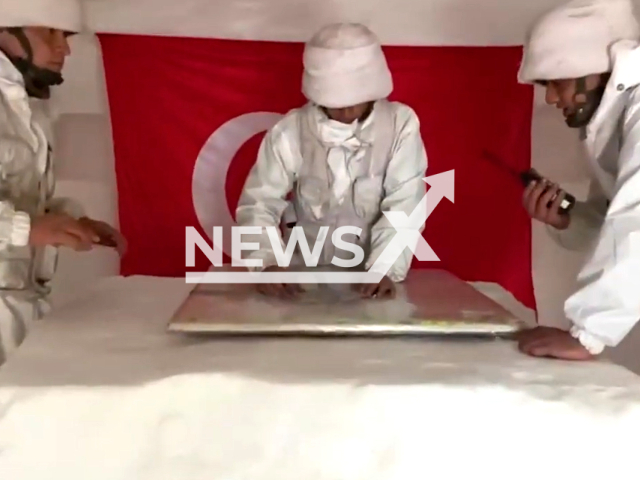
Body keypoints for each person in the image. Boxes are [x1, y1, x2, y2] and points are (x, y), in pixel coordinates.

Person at [236, 23, 428, 300]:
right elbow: (259, 201)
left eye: (356, 100)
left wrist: (384, 268)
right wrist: (266, 263)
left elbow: (405, 202)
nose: (347, 110)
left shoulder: (401, 125)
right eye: (337, 102)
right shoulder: (291, 130)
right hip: (300, 278)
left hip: (370, 281)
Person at [0, 0, 126, 365]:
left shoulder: (29, 109)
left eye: (65, 35)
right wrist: (29, 228)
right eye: (49, 32)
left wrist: (67, 220)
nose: (64, 48)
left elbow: (18, 197)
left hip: (20, 311)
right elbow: (22, 223)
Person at [515, 0, 640, 360]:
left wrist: (587, 334)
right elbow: (612, 221)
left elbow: (635, 221)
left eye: (558, 82)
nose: (552, 98)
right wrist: (568, 219)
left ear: (594, 70)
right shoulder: (616, 118)